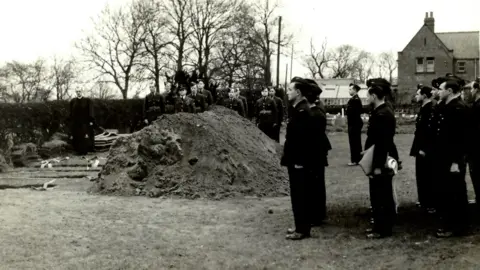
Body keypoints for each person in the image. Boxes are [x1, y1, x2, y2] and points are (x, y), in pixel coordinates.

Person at [281, 77, 317, 240]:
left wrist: (300, 161)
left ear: (298, 92)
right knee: (298, 194)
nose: (287, 92)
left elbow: (303, 140)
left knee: (300, 194)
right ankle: (300, 226)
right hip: (295, 159)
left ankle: (302, 229)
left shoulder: (302, 111)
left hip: (299, 161)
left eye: (289, 89)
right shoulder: (298, 109)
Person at [434, 77, 469, 238]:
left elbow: (461, 138)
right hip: (445, 157)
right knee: (447, 191)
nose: (438, 92)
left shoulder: (458, 108)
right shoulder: (448, 106)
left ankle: (458, 227)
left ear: (449, 91)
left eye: (441, 89)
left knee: (456, 192)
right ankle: (450, 224)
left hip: (453, 159)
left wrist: (456, 161)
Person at [363, 84, 397, 239]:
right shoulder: (380, 111)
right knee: (379, 194)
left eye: (368, 95)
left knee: (381, 195)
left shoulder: (382, 114)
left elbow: (383, 143)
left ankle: (383, 228)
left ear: (374, 96)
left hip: (380, 160)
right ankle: (379, 225)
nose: (366, 97)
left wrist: (377, 165)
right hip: (377, 157)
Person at [303, 79, 329, 225]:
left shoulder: (316, 112)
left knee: (316, 182)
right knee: (315, 182)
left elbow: (314, 135)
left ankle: (317, 215)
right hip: (316, 150)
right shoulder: (315, 109)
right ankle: (317, 213)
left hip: (316, 151)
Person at [410, 86, 435, 213]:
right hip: (420, 147)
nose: (416, 96)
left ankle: (429, 203)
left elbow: (429, 132)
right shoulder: (424, 108)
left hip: (425, 149)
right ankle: (424, 201)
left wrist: (424, 149)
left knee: (426, 176)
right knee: (421, 175)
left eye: (418, 94)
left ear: (425, 96)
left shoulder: (429, 109)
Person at [69, 89, 95, 155]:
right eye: (77, 91)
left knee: (85, 136)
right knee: (77, 136)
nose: (78, 93)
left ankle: (84, 151)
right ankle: (78, 151)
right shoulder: (73, 101)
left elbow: (90, 111)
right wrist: (70, 120)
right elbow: (71, 112)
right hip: (76, 122)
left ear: (82, 92)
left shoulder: (87, 100)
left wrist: (91, 120)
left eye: (79, 91)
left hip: (85, 121)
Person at [468, 81, 480, 209]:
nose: (470, 91)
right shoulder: (476, 104)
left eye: (471, 88)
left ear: (476, 89)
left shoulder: (478, 106)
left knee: (476, 173)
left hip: (476, 147)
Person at [346, 83, 364, 166]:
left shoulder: (355, 100)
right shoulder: (353, 99)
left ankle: (355, 160)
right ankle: (357, 159)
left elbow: (355, 113)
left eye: (350, 89)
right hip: (353, 123)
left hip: (354, 124)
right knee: (355, 142)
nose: (349, 91)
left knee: (354, 142)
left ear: (355, 90)